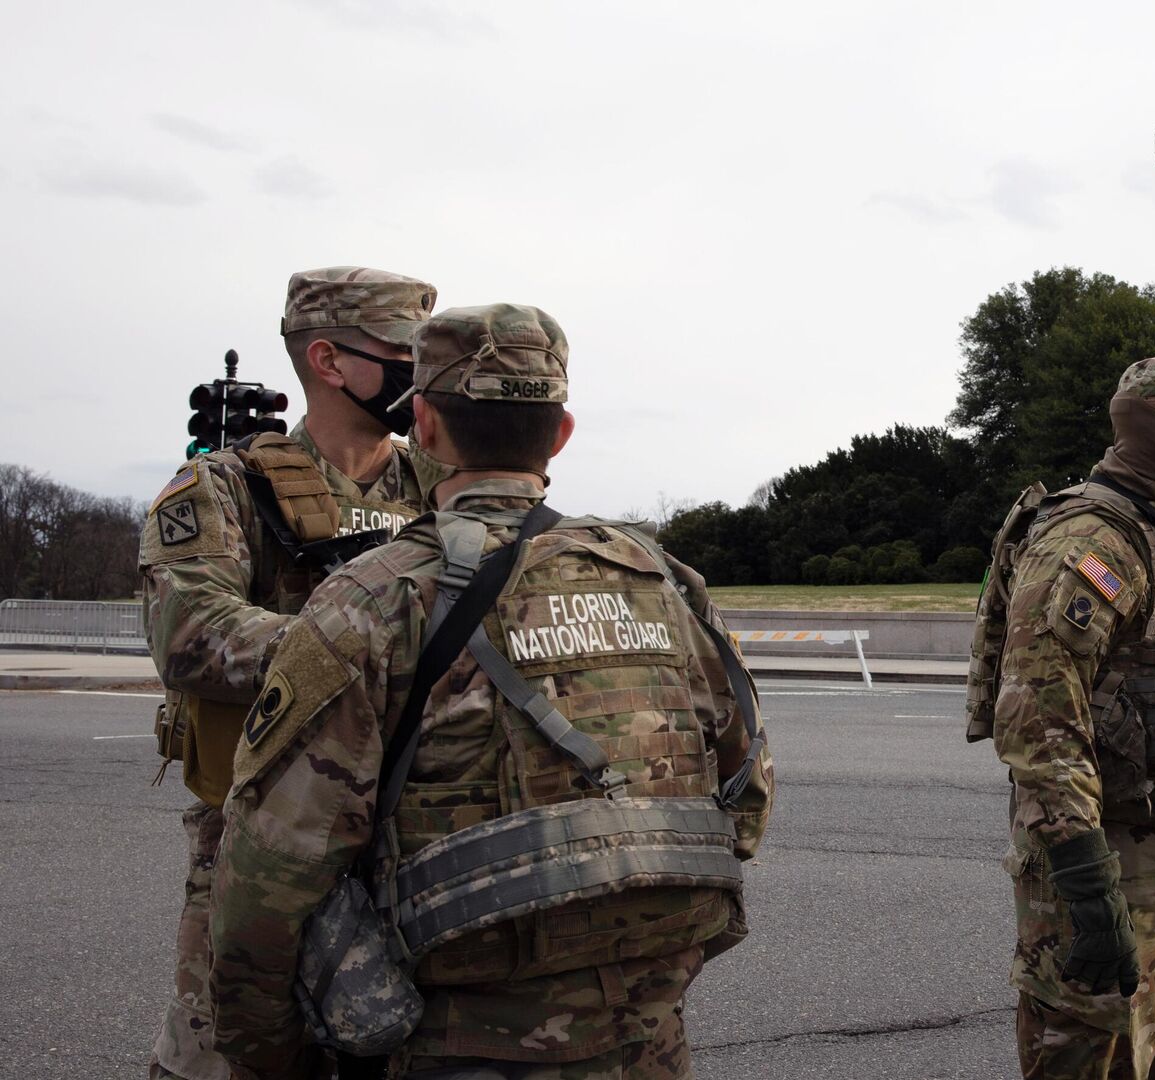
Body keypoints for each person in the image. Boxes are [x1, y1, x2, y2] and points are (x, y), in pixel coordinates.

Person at [207, 302, 774, 1079]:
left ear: (426, 427)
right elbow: (747, 795)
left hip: (451, 1045)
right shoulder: (662, 579)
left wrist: (261, 1051)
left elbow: (270, 870)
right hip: (648, 1037)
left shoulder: (370, 599)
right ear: (562, 431)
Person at [141, 266, 439, 1080]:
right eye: (403, 353)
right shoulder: (226, 486)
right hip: (260, 837)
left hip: (421, 828)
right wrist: (369, 649)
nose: (425, 372)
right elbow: (192, 631)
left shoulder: (443, 484)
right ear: (328, 360)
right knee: (230, 1055)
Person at [972, 356, 1155, 1079]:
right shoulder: (1092, 541)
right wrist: (1083, 875)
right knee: (1090, 1058)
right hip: (1111, 861)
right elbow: (1038, 716)